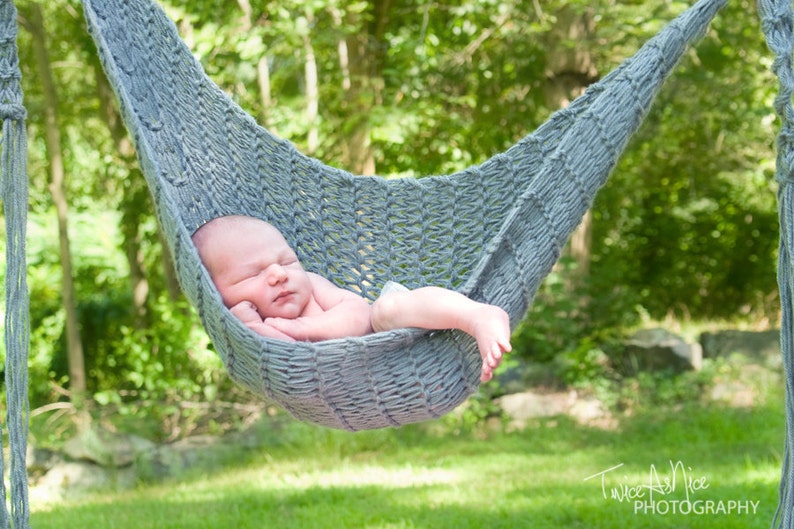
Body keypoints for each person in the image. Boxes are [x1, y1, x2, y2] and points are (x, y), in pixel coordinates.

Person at [192, 215, 512, 382]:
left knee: (388, 307)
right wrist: (249, 324)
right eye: (253, 274)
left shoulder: (311, 286)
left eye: (287, 261)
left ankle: (476, 316)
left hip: (384, 336)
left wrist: (304, 327)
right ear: (215, 293)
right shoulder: (245, 325)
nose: (278, 274)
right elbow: (275, 354)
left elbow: (357, 313)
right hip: (364, 381)